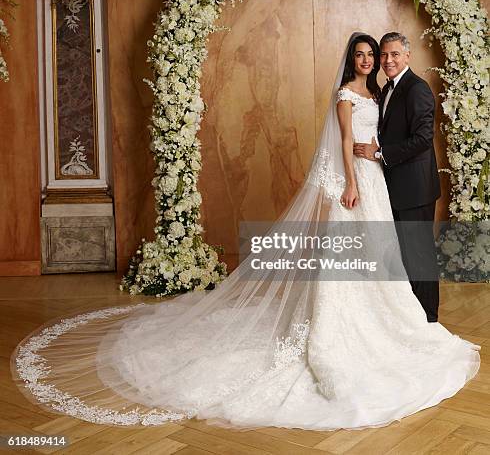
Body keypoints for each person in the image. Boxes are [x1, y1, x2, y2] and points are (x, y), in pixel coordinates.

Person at [12, 33, 480, 431]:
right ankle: (357, 330)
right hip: (362, 186)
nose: (374, 61)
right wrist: (353, 183)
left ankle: (410, 323)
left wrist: (375, 161)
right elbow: (343, 143)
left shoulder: (393, 93)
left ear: (398, 58)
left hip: (386, 183)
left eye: (378, 55)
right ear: (358, 59)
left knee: (396, 260)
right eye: (369, 55)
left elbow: (407, 138)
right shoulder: (347, 96)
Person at [353, 32, 441, 322]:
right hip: (396, 187)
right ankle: (412, 319)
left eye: (394, 54)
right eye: (384, 55)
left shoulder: (417, 89)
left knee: (419, 255)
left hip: (416, 189)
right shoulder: (387, 88)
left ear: (407, 56)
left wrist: (379, 153)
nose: (388, 60)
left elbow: (423, 139)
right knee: (405, 257)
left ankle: (428, 320)